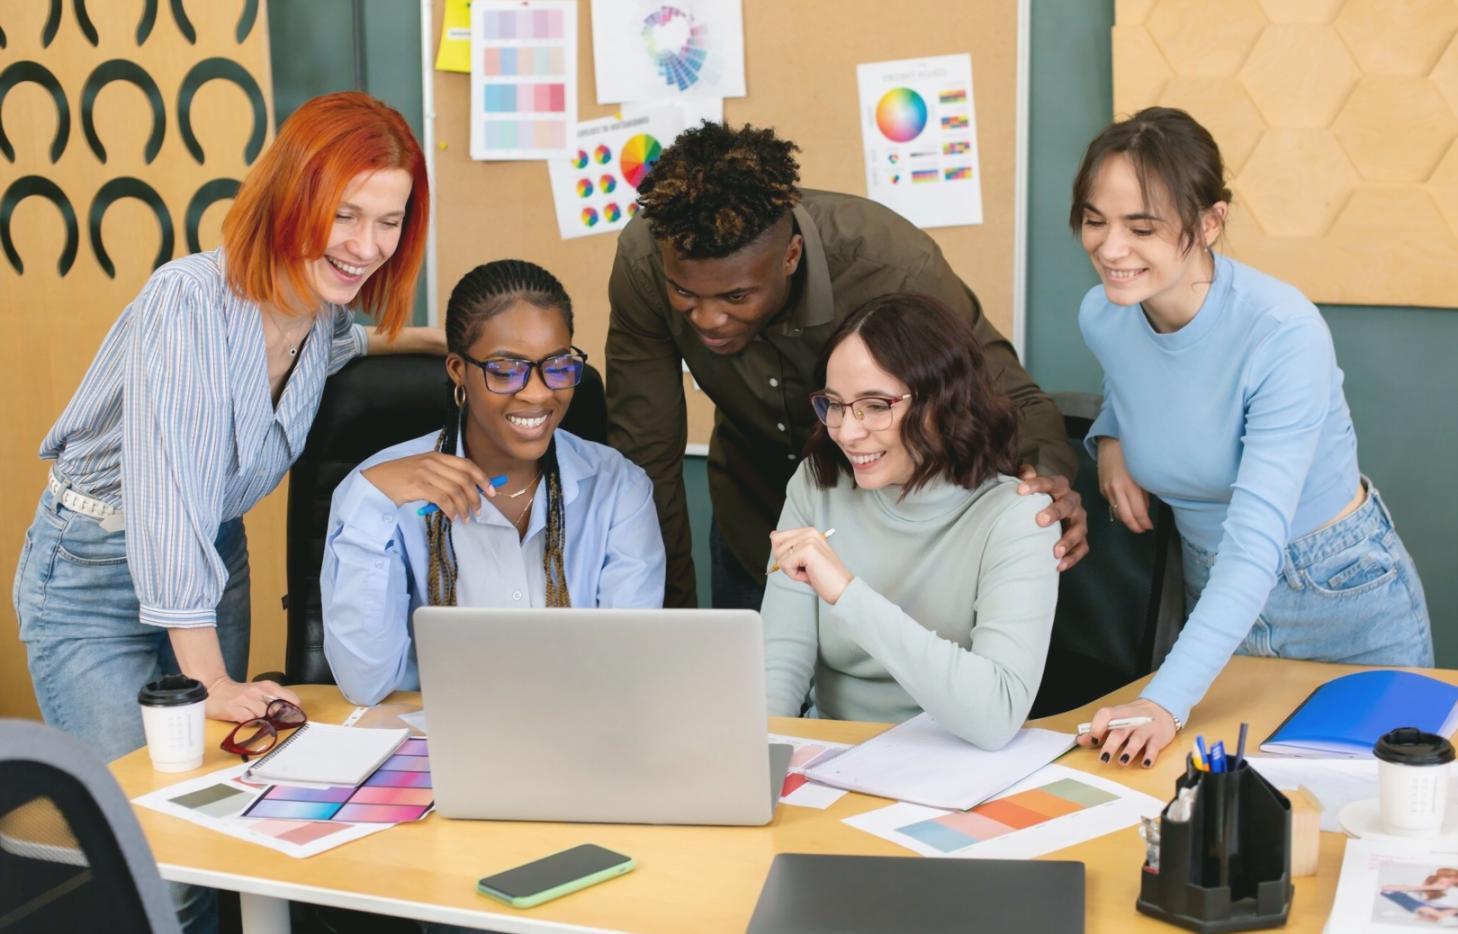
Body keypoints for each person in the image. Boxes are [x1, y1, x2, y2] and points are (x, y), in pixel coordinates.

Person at [12, 90, 440, 931]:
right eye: (344, 215)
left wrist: (439, 339)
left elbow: (346, 341)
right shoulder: (188, 303)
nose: (365, 247)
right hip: (94, 578)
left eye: (388, 222)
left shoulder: (319, 313)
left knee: (218, 834)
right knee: (153, 861)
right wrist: (209, 680)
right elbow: (168, 496)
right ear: (290, 197)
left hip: (210, 571)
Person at [1071, 107, 1433, 769]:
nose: (1110, 248)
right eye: (1095, 220)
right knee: (1225, 825)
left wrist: (1165, 700)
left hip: (1337, 595)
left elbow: (1255, 542)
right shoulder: (1105, 314)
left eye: (1141, 227)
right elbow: (1141, 374)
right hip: (1216, 593)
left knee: (1366, 825)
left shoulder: (1282, 333)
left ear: (1210, 222)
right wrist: (1112, 432)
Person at [605, 122, 1084, 610]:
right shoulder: (647, 257)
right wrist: (667, 625)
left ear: (790, 256)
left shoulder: (890, 266)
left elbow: (1010, 399)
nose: (707, 319)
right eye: (685, 293)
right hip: (754, 523)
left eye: (736, 295)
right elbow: (646, 454)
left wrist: (1041, 481)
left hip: (895, 532)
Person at [322, 260, 665, 706]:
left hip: (577, 740)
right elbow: (364, 683)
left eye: (558, 365)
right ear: (458, 371)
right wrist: (370, 502)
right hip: (431, 745)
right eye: (506, 369)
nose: (539, 393)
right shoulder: (378, 491)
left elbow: (627, 672)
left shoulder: (618, 489)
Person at [762, 293, 1059, 748]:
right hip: (828, 757)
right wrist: (757, 766)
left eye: (876, 405)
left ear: (944, 402)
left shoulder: (1018, 518)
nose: (846, 431)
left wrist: (846, 593)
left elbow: (996, 715)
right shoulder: (816, 483)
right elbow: (777, 668)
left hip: (953, 763)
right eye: (835, 404)